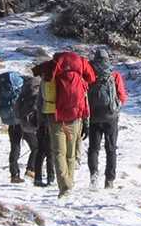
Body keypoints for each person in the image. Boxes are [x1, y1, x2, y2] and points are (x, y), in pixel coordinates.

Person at [33, 49, 96, 197]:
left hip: (55, 116)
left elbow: (35, 73)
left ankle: (65, 186)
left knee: (58, 153)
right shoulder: (81, 63)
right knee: (70, 154)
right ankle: (69, 183)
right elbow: (92, 78)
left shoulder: (52, 65)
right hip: (75, 116)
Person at [86, 49, 129, 188]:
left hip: (93, 117)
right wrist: (117, 106)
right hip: (111, 117)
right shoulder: (114, 75)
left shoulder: (89, 75)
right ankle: (109, 180)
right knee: (111, 149)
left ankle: (94, 176)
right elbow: (122, 96)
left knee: (94, 148)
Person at [17, 74, 53, 188]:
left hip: (30, 123)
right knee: (46, 151)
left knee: (39, 150)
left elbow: (17, 108)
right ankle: (47, 176)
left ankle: (36, 176)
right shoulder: (43, 88)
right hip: (44, 123)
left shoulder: (26, 90)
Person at [0, 70, 27, 183]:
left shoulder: (3, 89)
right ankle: (31, 170)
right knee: (35, 146)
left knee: (14, 146)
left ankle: (14, 174)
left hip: (10, 120)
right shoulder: (20, 86)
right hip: (22, 120)